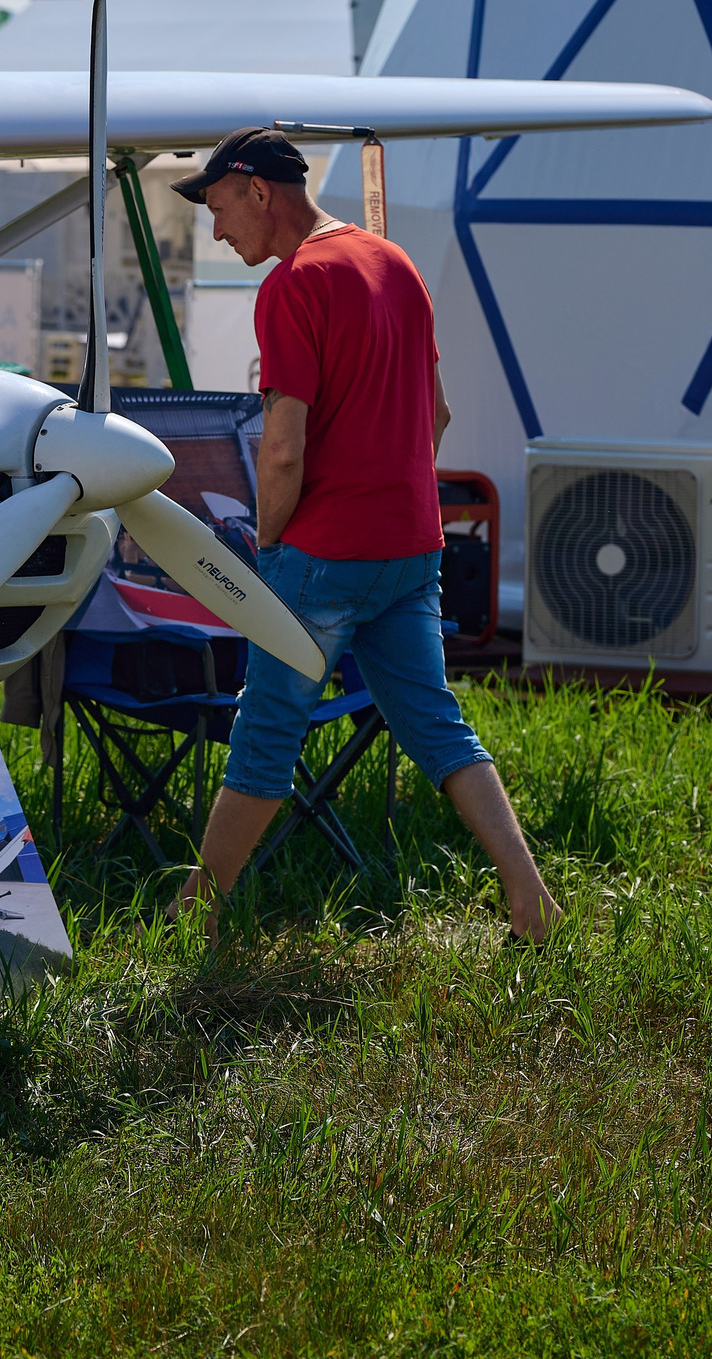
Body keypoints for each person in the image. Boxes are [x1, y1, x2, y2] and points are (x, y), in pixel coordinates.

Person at [163, 128, 560, 939]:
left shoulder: (291, 287)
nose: (215, 230)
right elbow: (437, 413)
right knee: (439, 726)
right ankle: (531, 896)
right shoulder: (395, 262)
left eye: (217, 207)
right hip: (413, 548)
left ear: (259, 190)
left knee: (265, 732)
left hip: (321, 555)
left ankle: (192, 916)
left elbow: (281, 449)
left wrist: (271, 549)